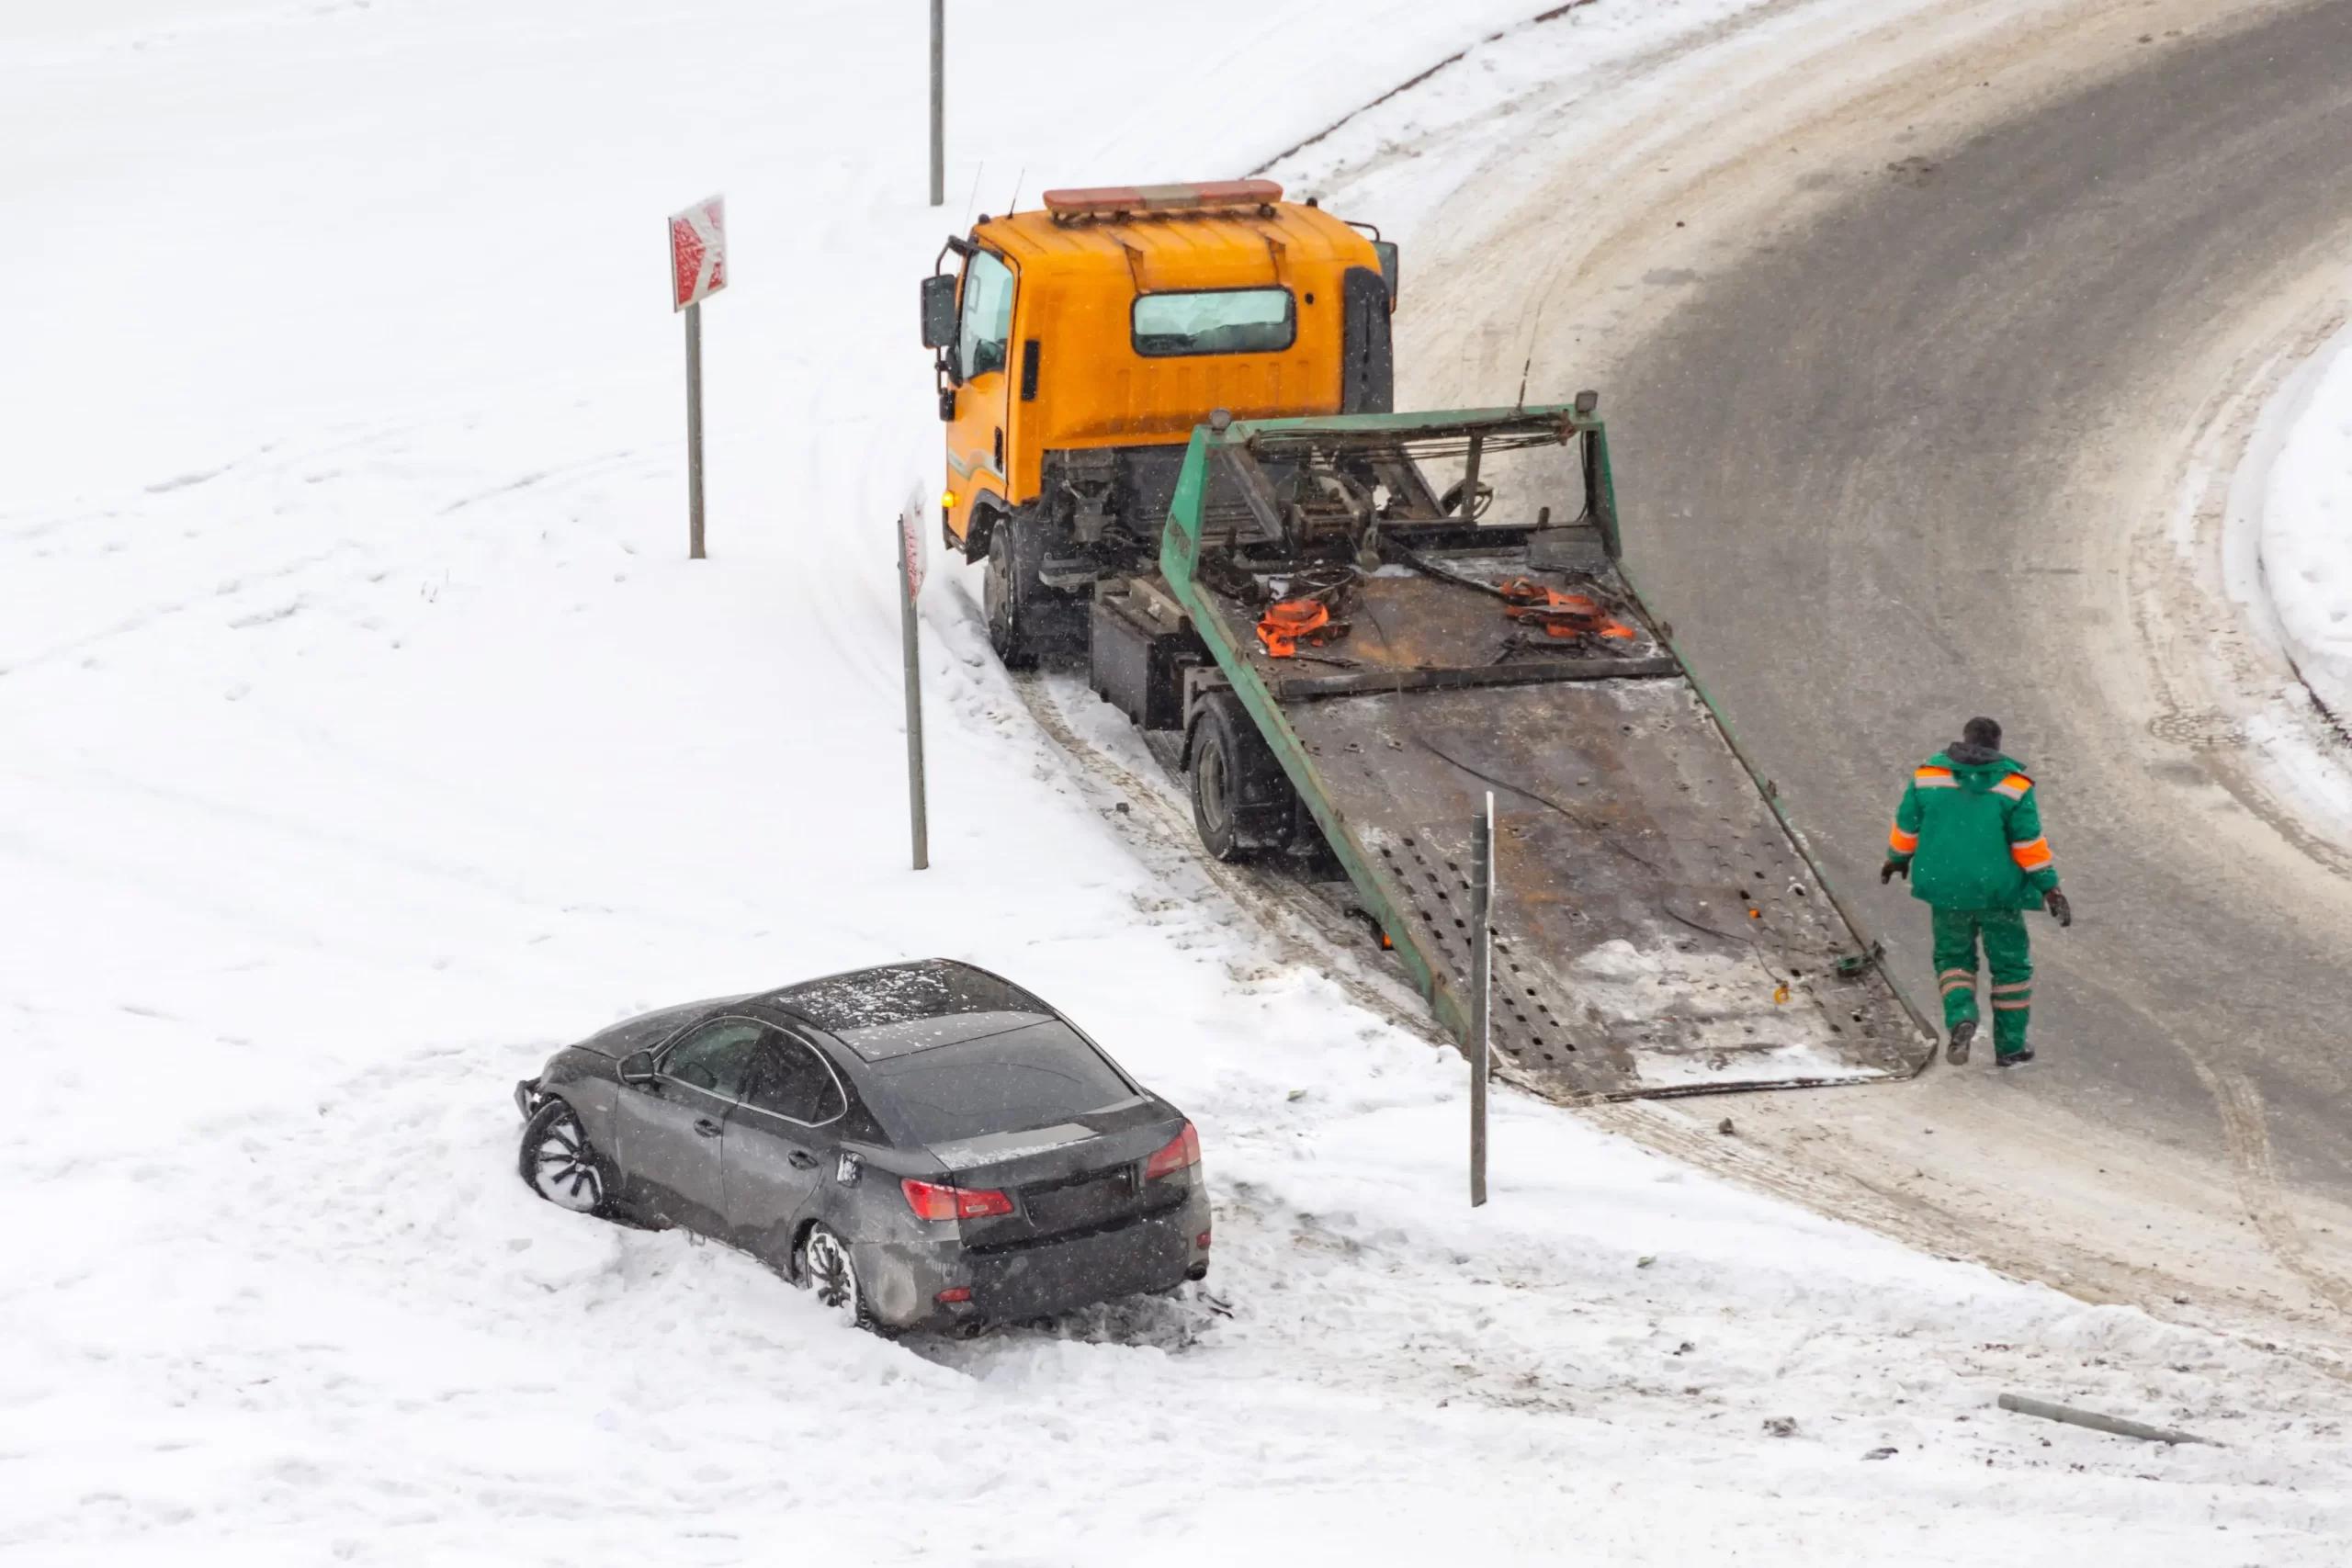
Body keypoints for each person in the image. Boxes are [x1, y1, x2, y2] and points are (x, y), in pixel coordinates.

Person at [1880, 717, 2072, 1066]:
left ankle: (1962, 1018)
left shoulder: (1928, 777)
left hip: (1947, 889)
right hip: (1998, 892)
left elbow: (1906, 825)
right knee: (2010, 967)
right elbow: (2027, 844)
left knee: (1953, 958)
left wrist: (1896, 859)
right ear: (1997, 746)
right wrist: (2051, 888)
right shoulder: (2013, 786)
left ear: (1963, 740)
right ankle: (2010, 1047)